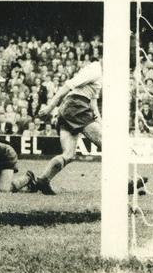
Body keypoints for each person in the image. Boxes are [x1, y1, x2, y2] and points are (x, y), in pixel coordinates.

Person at [34, 60, 102, 192]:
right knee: (109, 146)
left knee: (68, 155)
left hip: (69, 109)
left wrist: (100, 122)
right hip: (76, 106)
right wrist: (50, 107)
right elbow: (68, 85)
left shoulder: (100, 74)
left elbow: (93, 101)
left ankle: (43, 180)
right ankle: (126, 182)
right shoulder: (95, 69)